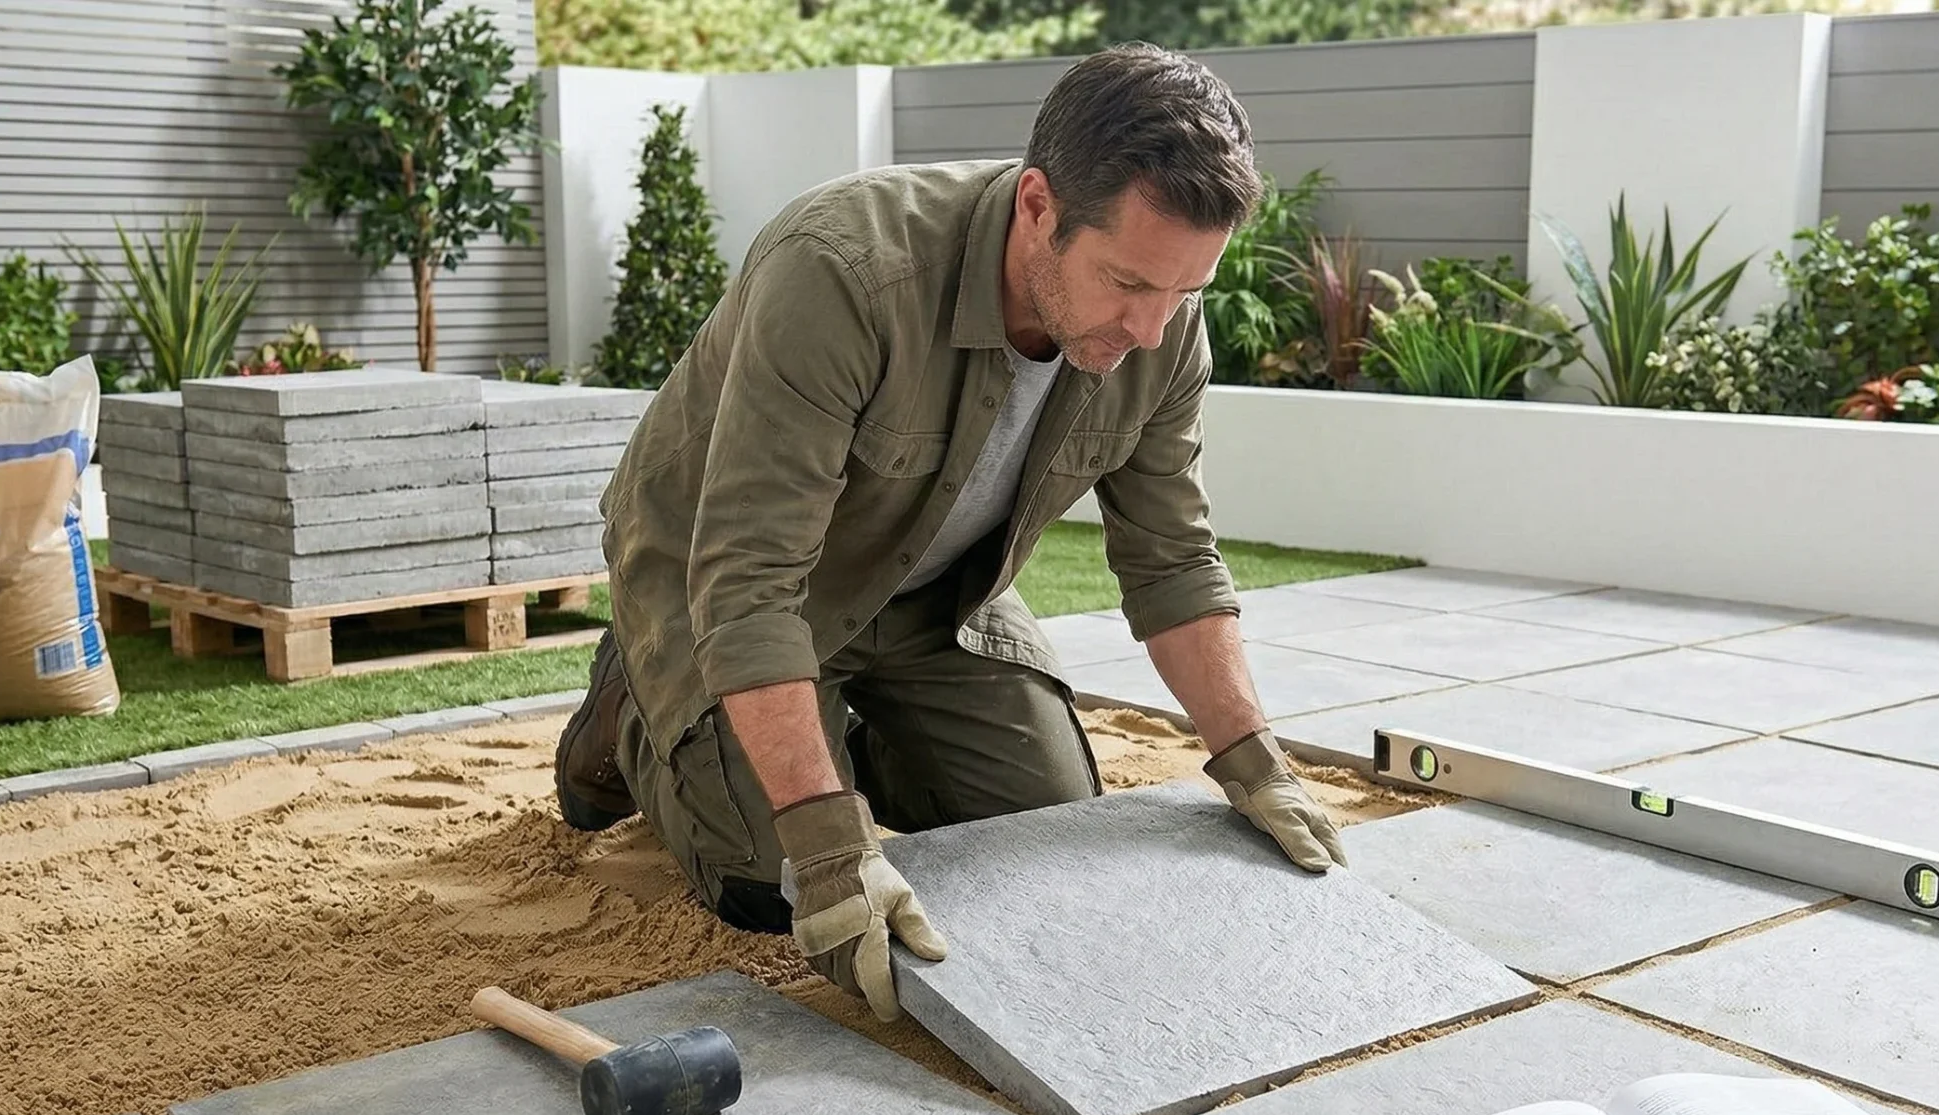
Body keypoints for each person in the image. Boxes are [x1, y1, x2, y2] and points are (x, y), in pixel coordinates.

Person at [554, 41, 1346, 1022]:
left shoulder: (1161, 327)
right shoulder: (842, 269)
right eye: (1129, 284)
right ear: (1036, 209)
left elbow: (1171, 554)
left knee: (1042, 831)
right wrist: (828, 843)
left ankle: (845, 737)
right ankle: (636, 694)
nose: (1151, 329)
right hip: (718, 578)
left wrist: (1252, 759)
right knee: (775, 882)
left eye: (1184, 292)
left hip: (933, 594)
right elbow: (748, 574)